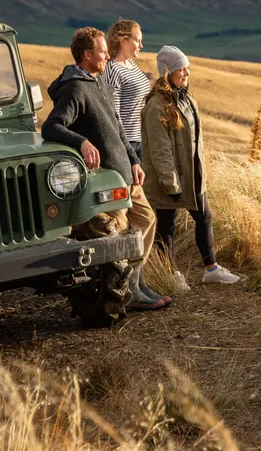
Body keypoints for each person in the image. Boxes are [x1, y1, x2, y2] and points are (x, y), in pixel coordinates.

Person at [42, 27, 170, 311]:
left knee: (147, 219)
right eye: (102, 52)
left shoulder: (100, 82)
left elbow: (118, 129)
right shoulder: (75, 88)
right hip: (104, 182)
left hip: (125, 172)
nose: (106, 56)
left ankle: (134, 281)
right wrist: (83, 142)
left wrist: (134, 161)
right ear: (87, 55)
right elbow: (51, 126)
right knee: (120, 232)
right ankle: (124, 289)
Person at [141, 45, 241, 289]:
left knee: (205, 217)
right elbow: (160, 148)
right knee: (166, 225)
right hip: (171, 177)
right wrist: (170, 181)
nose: (186, 73)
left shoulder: (185, 97)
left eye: (187, 68)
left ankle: (212, 269)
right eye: (180, 68)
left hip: (192, 175)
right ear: (167, 72)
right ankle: (170, 275)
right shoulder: (156, 105)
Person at [103, 19, 153, 161]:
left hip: (141, 140)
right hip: (126, 144)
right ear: (123, 40)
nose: (141, 45)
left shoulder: (131, 64)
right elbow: (114, 114)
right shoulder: (112, 69)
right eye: (137, 41)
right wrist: (125, 149)